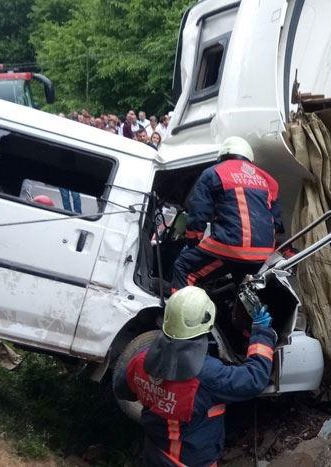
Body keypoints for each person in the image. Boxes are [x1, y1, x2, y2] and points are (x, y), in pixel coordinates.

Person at [120, 286, 276, 466]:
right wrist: (261, 332)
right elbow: (255, 379)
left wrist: (159, 394)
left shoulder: (139, 361)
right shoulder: (209, 375)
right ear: (207, 320)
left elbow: (123, 390)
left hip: (154, 455)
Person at [170, 136, 283, 292]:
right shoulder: (269, 180)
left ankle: (181, 314)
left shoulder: (213, 172)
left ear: (222, 156)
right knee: (243, 285)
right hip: (263, 253)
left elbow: (198, 213)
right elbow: (276, 222)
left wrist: (192, 241)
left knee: (183, 266)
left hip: (229, 246)